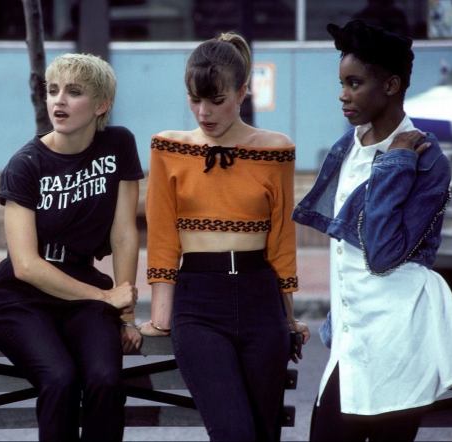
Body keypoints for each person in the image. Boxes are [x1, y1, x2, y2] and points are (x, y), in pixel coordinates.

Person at [293, 20, 452, 442]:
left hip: (397, 343)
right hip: (351, 343)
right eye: (341, 82)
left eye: (354, 83)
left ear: (391, 85)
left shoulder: (427, 159)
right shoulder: (348, 148)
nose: (342, 94)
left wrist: (395, 163)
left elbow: (381, 252)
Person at [139, 32, 310, 441]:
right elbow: (162, 234)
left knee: (264, 432)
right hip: (198, 301)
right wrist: (161, 314)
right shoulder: (169, 148)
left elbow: (282, 239)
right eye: (195, 100)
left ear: (243, 92)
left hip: (260, 296)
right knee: (233, 431)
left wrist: (287, 315)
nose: (204, 112)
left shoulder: (275, 150)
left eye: (217, 101)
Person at [0, 53, 144, 442]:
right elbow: (25, 265)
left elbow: (124, 233)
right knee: (59, 378)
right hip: (21, 298)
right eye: (53, 91)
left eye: (74, 93)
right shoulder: (25, 164)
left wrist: (123, 314)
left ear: (101, 104)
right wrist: (105, 297)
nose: (58, 101)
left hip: (83, 285)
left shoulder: (118, 145)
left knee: (106, 380)